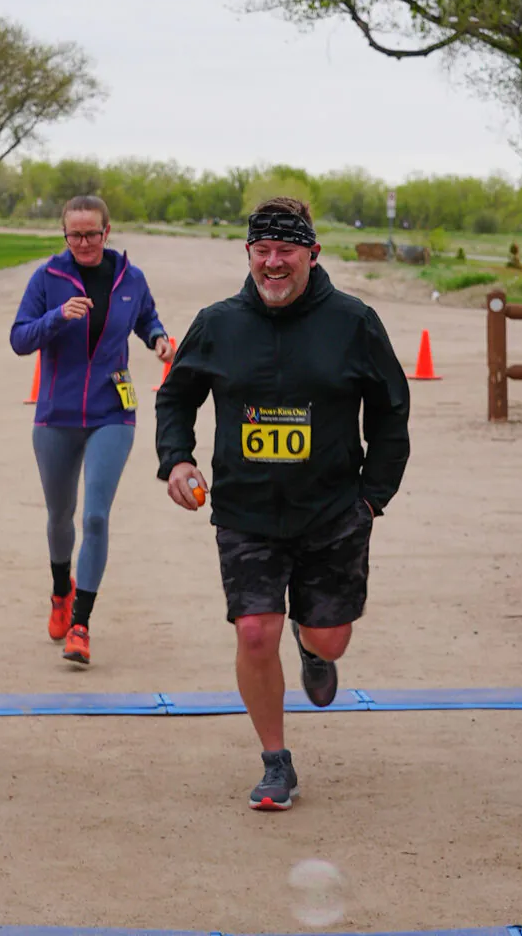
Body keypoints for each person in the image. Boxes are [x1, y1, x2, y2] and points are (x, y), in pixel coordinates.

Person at [155, 196, 410, 811]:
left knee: (331, 640)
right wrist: (177, 459)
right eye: (262, 251)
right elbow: (177, 396)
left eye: (285, 251)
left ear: (312, 255)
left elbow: (390, 411)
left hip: (332, 513)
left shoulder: (354, 322)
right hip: (247, 512)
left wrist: (373, 498)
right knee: (253, 632)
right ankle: (276, 761)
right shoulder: (218, 323)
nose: (273, 263)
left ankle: (311, 642)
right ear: (248, 255)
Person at [10, 195, 173, 666]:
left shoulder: (130, 278)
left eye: (92, 234)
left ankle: (81, 624)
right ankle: (62, 591)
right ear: (64, 235)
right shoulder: (47, 279)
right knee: (60, 517)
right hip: (56, 415)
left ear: (107, 231)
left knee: (96, 517)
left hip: (112, 412)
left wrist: (158, 339)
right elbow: (20, 338)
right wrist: (56, 318)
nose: (83, 242)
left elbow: (146, 318)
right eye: (74, 235)